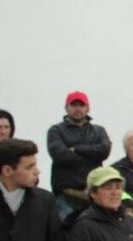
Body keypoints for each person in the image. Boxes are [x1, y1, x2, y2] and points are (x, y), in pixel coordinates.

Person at [47, 91, 112, 221]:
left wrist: (76, 149)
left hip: (92, 197)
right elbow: (60, 155)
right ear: (66, 108)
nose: (78, 109)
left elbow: (104, 150)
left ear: (88, 108)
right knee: (61, 235)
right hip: (66, 198)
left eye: (81, 105)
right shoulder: (56, 131)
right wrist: (92, 156)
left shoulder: (98, 131)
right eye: (74, 105)